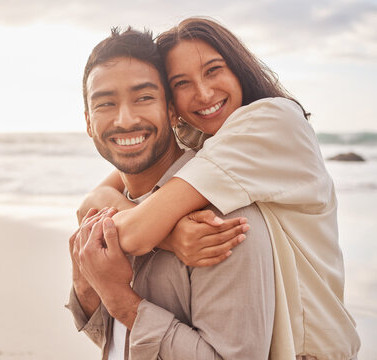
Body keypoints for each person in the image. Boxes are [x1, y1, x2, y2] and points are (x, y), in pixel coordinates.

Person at [82, 18, 360, 359]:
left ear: (239, 67)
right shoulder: (209, 138)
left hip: (311, 350)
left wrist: (156, 242)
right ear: (173, 105)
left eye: (213, 70)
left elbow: (137, 233)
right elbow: (96, 197)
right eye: (181, 83)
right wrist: (171, 235)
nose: (202, 93)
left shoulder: (272, 123)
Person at [66, 27, 275, 359]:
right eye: (106, 103)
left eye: (144, 97)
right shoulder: (112, 211)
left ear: (172, 111)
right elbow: (118, 340)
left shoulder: (221, 219)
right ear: (89, 121)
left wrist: (118, 295)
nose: (125, 120)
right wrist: (86, 284)